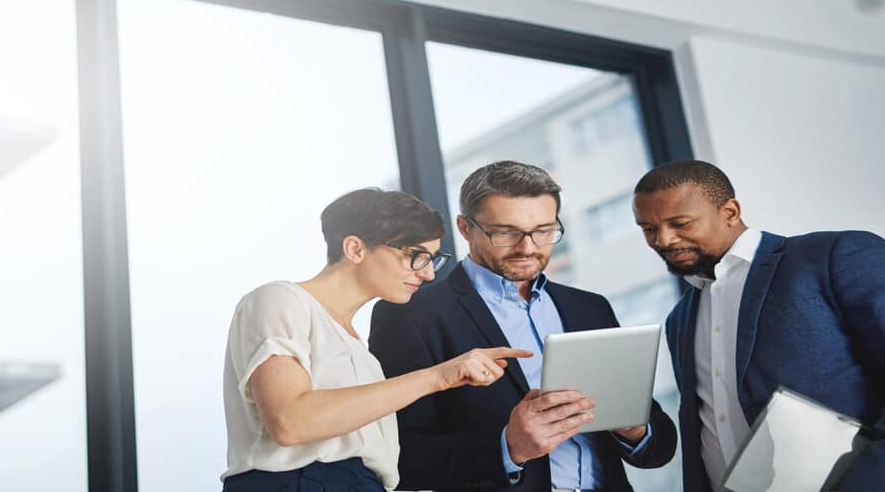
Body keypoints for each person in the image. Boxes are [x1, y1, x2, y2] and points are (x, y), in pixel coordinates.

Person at [371, 161, 677, 491]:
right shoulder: (412, 314)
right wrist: (508, 447)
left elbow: (659, 446)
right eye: (506, 232)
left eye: (544, 231)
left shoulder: (589, 308)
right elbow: (399, 457)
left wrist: (634, 431)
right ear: (465, 228)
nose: (528, 248)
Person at [222, 187, 532, 491]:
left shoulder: (360, 350)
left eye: (433, 259)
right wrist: (436, 377)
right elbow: (290, 421)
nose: (428, 275)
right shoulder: (280, 299)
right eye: (416, 256)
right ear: (355, 249)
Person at [632, 159, 885, 492]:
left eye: (680, 223)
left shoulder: (833, 257)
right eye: (648, 229)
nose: (663, 240)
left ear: (731, 212)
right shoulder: (678, 320)